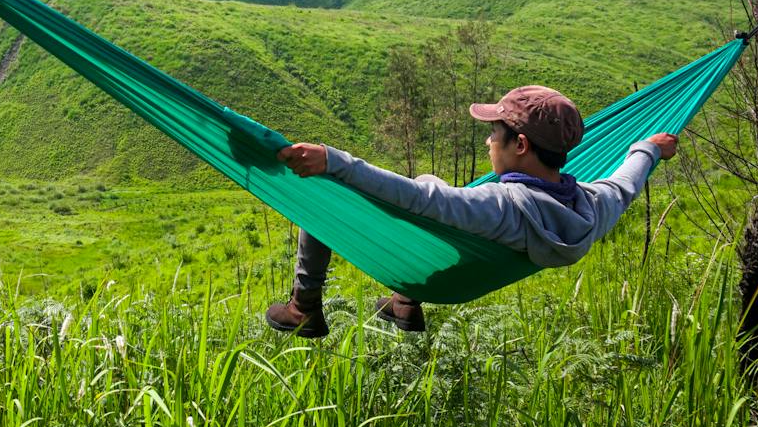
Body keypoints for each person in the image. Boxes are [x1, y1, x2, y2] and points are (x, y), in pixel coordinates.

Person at [264, 84, 679, 338]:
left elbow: (416, 199)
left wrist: (335, 162)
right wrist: (649, 149)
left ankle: (304, 306)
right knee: (431, 181)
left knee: (321, 198)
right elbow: (624, 185)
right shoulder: (590, 205)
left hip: (436, 263)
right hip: (459, 270)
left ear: (520, 145)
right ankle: (404, 303)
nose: (487, 143)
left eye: (494, 134)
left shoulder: (500, 207)